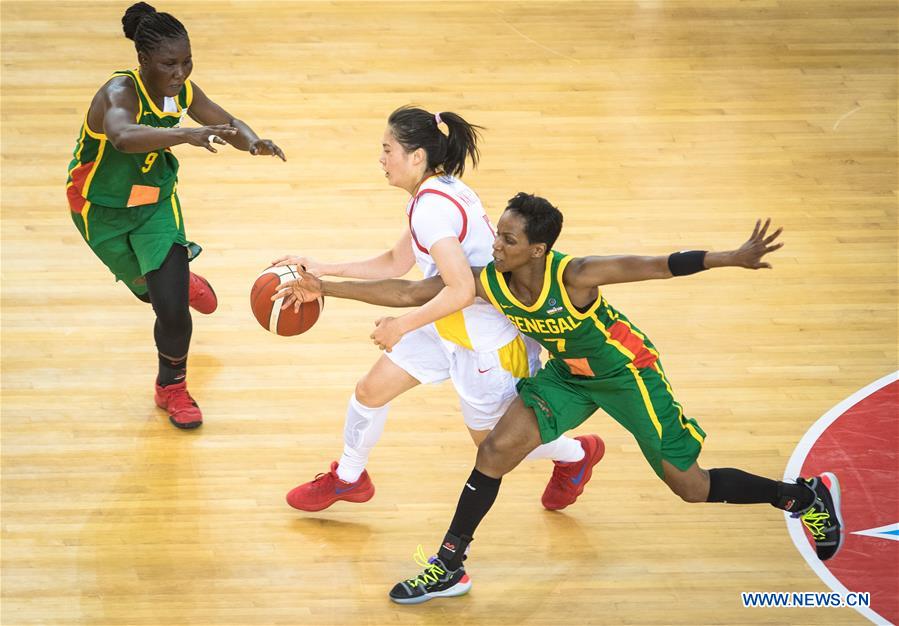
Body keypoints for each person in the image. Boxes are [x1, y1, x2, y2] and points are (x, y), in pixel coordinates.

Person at [280, 193, 843, 604]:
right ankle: (449, 564)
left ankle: (800, 496)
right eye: (497, 233)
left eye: (507, 239)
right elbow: (407, 289)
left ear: (538, 249)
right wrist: (322, 285)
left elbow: (654, 265)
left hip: (627, 374)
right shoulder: (490, 279)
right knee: (494, 452)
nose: (494, 245)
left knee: (689, 487)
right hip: (565, 379)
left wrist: (728, 256)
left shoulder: (576, 275)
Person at [272, 107, 602, 513]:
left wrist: (400, 326)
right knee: (370, 391)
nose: (381, 158)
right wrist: (323, 267)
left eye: (387, 148)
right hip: (445, 320)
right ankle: (349, 477)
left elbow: (462, 289)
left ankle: (576, 455)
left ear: (416, 157)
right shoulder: (434, 193)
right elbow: (396, 261)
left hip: (487, 342)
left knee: (493, 442)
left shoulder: (431, 208)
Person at [66, 2, 285, 429]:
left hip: (155, 207)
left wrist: (253, 141)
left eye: (187, 61)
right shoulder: (118, 93)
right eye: (170, 63)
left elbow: (226, 122)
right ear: (144, 59)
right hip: (100, 211)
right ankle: (183, 282)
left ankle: (173, 387)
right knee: (151, 293)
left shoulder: (181, 91)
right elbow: (124, 137)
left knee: (170, 312)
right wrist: (185, 133)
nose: (180, 72)